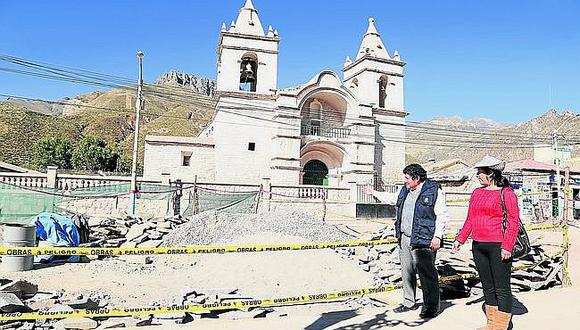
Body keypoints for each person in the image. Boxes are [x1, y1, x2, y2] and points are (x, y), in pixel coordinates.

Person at [366, 164, 448, 319]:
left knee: (427, 273)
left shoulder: (434, 190)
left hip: (424, 239)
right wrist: (374, 193)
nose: (405, 181)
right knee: (407, 271)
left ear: (416, 178)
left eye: (407, 178)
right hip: (405, 237)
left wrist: (438, 236)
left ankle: (431, 306)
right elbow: (392, 199)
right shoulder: (405, 190)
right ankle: (408, 302)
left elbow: (442, 214)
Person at [453, 156, 520, 330]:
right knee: (488, 287)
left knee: (502, 288)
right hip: (478, 246)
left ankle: (501, 326)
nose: (477, 176)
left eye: (480, 172)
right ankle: (492, 324)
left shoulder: (507, 193)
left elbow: (514, 221)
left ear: (491, 173)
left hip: (498, 247)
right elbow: (470, 219)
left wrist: (507, 246)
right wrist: (460, 239)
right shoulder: (477, 193)